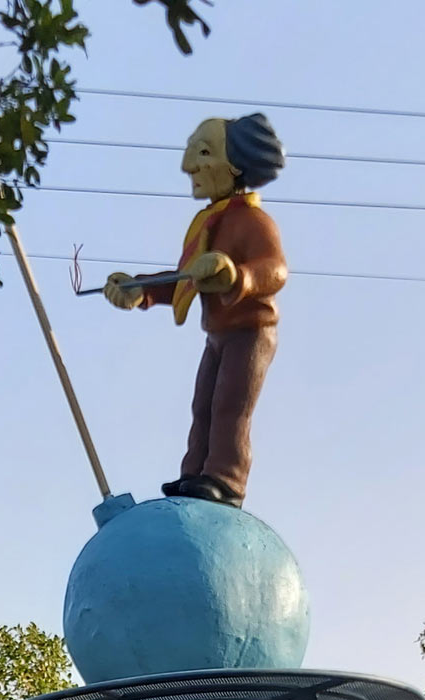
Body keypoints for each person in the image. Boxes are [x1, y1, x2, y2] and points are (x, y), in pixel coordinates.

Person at [104, 114, 287, 508]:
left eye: (203, 153)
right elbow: (189, 279)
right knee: (203, 403)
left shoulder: (252, 221)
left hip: (251, 331)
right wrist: (141, 290)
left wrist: (238, 277)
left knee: (229, 405)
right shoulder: (209, 223)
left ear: (235, 166)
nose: (190, 167)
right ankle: (196, 473)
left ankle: (226, 478)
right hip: (218, 334)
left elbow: (275, 269)